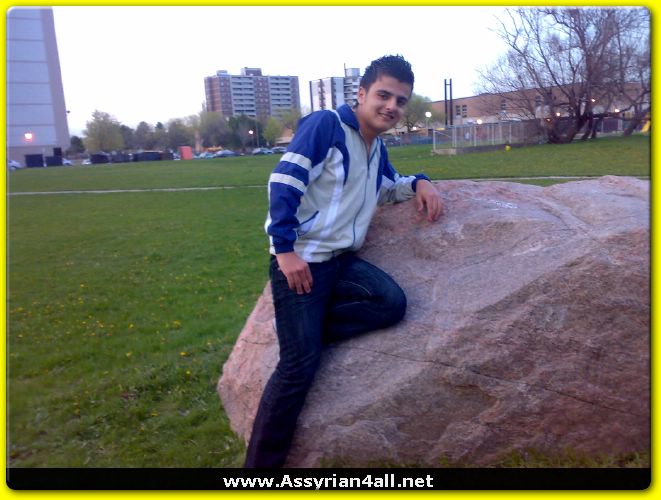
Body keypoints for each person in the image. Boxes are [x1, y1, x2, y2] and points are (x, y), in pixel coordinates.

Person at [244, 55, 443, 468]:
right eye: (383, 95)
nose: (391, 106)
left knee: (390, 303)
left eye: (400, 101)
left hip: (341, 261)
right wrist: (285, 251)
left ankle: (301, 330)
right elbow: (284, 181)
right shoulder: (326, 126)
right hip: (303, 262)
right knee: (299, 367)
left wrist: (420, 182)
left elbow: (387, 187)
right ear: (362, 93)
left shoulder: (376, 146)